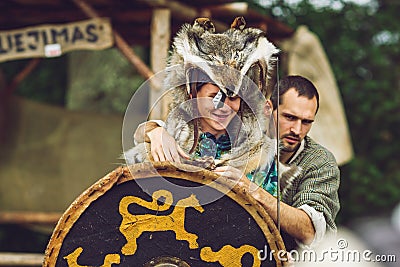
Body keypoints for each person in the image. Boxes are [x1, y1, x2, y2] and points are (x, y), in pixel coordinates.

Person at [135, 75, 340, 250]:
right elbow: (190, 132)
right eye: (289, 117)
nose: (297, 130)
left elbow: (311, 232)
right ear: (268, 109)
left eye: (306, 122)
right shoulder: (238, 132)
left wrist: (251, 190)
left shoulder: (320, 162)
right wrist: (155, 130)